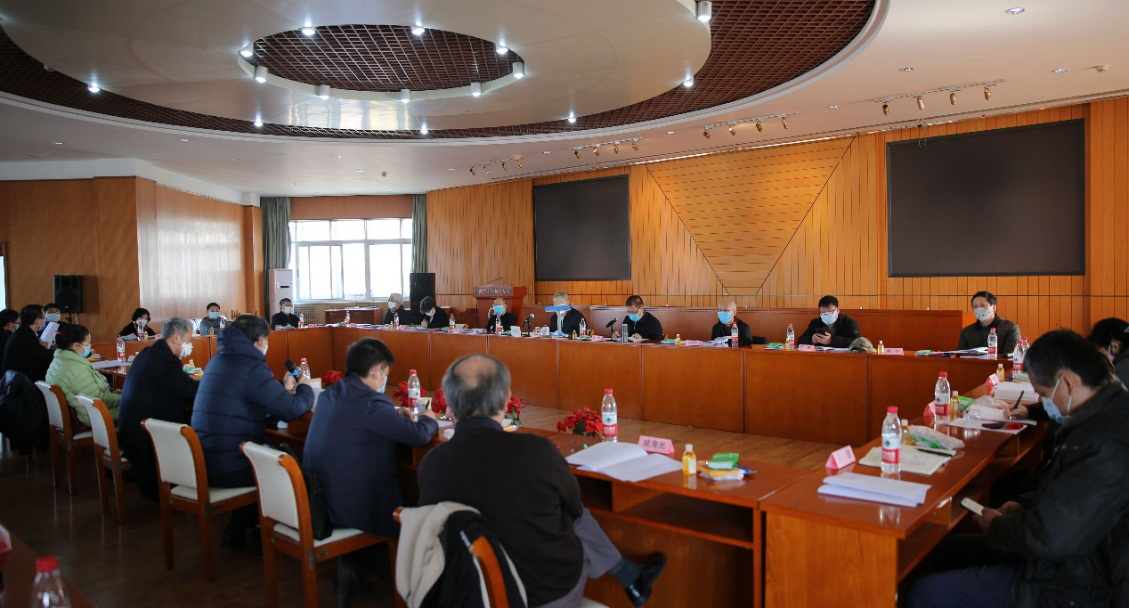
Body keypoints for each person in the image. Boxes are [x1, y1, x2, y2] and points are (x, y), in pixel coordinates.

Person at [417, 354, 666, 607]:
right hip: (546, 595)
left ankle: (631, 575)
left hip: (468, 595)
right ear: (506, 398)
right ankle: (629, 575)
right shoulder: (536, 452)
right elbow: (573, 507)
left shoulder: (430, 465)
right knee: (572, 517)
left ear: (449, 402)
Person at [906, 330, 1129, 608]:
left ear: (1068, 382)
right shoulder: (1101, 414)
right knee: (946, 550)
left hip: (1080, 580)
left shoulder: (1107, 440)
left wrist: (997, 526)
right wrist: (1025, 504)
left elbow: (1052, 537)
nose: (1046, 404)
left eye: (1044, 395)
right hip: (1067, 552)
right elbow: (1075, 495)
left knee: (925, 593)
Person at [303, 338, 439, 602]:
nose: (385, 380)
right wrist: (427, 418)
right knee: (417, 504)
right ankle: (407, 586)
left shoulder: (331, 394)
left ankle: (355, 570)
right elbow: (419, 436)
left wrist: (393, 416)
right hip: (350, 506)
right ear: (376, 370)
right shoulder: (371, 403)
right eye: (385, 374)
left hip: (320, 499)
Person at [191, 314, 314, 551]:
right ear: (259, 340)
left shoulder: (218, 360)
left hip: (206, 458)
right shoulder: (252, 367)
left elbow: (242, 397)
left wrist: (280, 387)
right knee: (288, 470)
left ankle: (237, 531)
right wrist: (305, 390)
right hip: (230, 466)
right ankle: (270, 534)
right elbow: (290, 410)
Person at [118, 317, 199, 501]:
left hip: (133, 426)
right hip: (144, 435)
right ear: (176, 337)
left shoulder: (149, 352)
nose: (190, 344)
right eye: (189, 339)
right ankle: (188, 481)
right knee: (196, 422)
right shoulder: (166, 360)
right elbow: (190, 390)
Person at [44, 323, 120, 427]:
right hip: (92, 417)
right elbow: (98, 401)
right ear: (75, 345)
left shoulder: (58, 361)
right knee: (136, 406)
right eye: (87, 344)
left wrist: (111, 393)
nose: (90, 347)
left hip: (79, 414)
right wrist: (123, 397)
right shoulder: (76, 368)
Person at [958, 291, 1021, 356]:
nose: (979, 309)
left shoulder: (1010, 328)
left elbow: (1011, 355)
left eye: (982, 305)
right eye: (975, 306)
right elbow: (960, 356)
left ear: (994, 307)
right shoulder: (966, 331)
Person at [1, 305, 53, 382]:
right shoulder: (25, 335)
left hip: (17, 377)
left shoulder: (23, 332)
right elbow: (45, 355)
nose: (45, 319)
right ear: (36, 320)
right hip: (19, 382)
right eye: (43, 317)